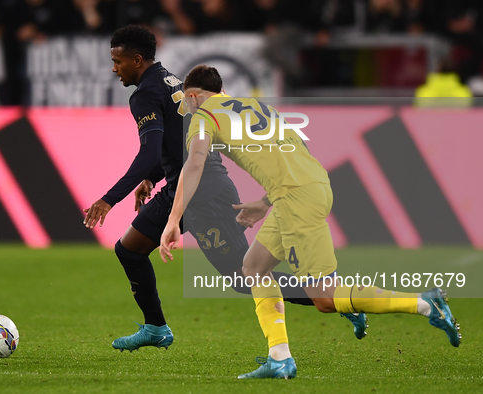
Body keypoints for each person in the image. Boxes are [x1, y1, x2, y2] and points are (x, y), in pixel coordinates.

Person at [159, 64, 461, 379]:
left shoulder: (203, 117)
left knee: (324, 298)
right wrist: (265, 203)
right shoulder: (258, 107)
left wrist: (173, 220)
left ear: (193, 95)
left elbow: (194, 165)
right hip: (309, 187)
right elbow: (296, 149)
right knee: (253, 268)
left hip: (294, 199)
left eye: (186, 100)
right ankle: (279, 358)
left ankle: (424, 304)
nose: (187, 106)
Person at [83, 25, 360, 353]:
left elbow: (149, 150)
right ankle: (156, 327)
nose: (114, 68)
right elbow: (173, 144)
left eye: (118, 61)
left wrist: (108, 199)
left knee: (245, 279)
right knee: (129, 250)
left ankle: (338, 298)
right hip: (182, 186)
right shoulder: (170, 81)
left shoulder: (144, 94)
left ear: (137, 59)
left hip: (204, 193)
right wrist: (153, 178)